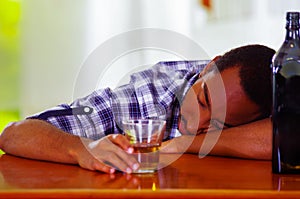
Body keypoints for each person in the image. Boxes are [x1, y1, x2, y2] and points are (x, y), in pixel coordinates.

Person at [0, 44, 275, 174]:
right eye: (203, 100)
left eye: (218, 125)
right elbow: (14, 134)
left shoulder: (266, 102)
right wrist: (83, 148)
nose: (196, 123)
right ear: (208, 67)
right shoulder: (149, 96)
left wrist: (181, 144)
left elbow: (286, 136)